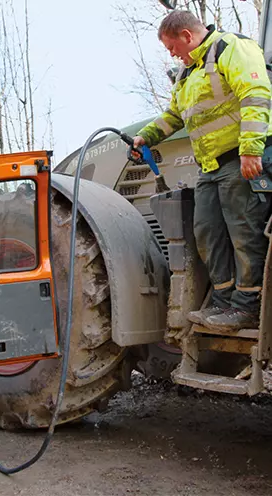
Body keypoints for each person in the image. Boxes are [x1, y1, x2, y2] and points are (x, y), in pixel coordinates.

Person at [134, 10, 272, 330]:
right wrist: (147, 136)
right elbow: (174, 116)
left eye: (172, 47)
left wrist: (251, 149)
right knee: (206, 232)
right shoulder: (187, 74)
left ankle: (246, 306)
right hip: (209, 167)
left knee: (243, 233)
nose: (172, 54)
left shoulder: (230, 48)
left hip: (240, 159)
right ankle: (222, 302)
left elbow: (256, 95)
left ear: (186, 36)